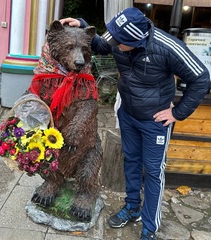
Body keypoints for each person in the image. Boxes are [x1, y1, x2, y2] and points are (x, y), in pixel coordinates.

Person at [60, 7, 210, 240]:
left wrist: (178, 113)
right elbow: (99, 45)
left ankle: (149, 227)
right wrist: (81, 23)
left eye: (120, 42)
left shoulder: (167, 47)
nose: (114, 44)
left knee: (152, 171)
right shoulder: (118, 37)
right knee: (130, 161)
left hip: (155, 122)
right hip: (128, 114)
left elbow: (201, 78)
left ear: (137, 40)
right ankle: (131, 207)